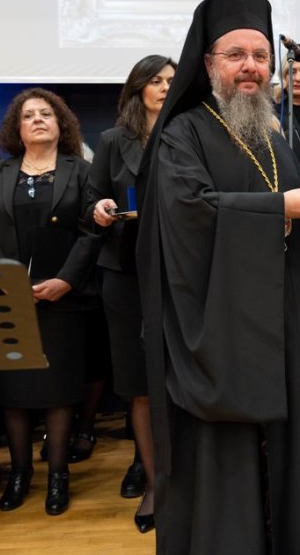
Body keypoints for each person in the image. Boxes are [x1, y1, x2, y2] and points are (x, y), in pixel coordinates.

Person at [136, 0, 300, 554]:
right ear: (208, 64)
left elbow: (294, 204)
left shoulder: (272, 134)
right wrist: (279, 210)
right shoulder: (182, 133)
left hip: (279, 315)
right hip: (218, 324)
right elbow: (188, 212)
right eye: (236, 55)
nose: (251, 66)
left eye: (260, 55)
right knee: (224, 453)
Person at [0, 88, 100, 516]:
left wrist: (66, 280)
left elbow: (91, 232)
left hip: (63, 296)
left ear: (61, 124)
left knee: (59, 389)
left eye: (46, 113)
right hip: (6, 297)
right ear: (17, 127)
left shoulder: (81, 171)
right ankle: (20, 473)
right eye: (29, 115)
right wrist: (4, 281)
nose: (38, 120)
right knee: (13, 388)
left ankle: (58, 475)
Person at [89, 54, 176, 533]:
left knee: (180, 376)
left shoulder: (189, 132)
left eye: (171, 80)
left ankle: (188, 477)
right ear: (139, 87)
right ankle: (154, 480)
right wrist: (100, 208)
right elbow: (93, 199)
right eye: (156, 80)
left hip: (179, 270)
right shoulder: (111, 140)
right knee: (139, 383)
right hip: (125, 272)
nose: (164, 87)